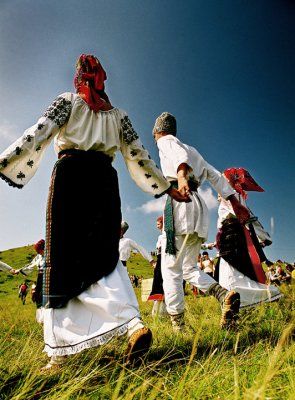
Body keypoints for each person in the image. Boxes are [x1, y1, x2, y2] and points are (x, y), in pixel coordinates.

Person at [0, 55, 188, 371]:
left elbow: (39, 132)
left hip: (71, 179)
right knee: (104, 256)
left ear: (78, 77)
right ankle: (132, 325)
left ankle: (58, 356)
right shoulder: (119, 118)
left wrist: (4, 160)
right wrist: (168, 188)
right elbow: (139, 157)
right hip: (103, 182)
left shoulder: (67, 103)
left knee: (62, 258)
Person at [152, 112, 250, 331]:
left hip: (181, 199)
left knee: (170, 269)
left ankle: (179, 325)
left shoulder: (167, 141)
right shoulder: (194, 150)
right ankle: (223, 294)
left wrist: (181, 177)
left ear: (157, 131)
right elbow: (216, 176)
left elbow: (177, 155)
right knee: (187, 267)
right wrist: (235, 203)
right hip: (198, 207)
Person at [215, 167, 282, 308]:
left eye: (223, 178)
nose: (220, 181)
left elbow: (249, 217)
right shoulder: (233, 195)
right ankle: (237, 300)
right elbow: (251, 217)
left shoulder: (233, 195)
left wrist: (264, 237)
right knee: (234, 268)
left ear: (231, 180)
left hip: (232, 234)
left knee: (233, 269)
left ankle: (242, 300)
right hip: (231, 234)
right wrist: (265, 237)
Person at [148, 216, 167, 317]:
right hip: (160, 260)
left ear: (163, 223)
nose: (157, 226)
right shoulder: (160, 236)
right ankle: (159, 310)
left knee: (161, 281)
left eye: (158, 224)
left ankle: (162, 310)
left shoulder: (164, 236)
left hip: (164, 259)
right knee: (158, 280)